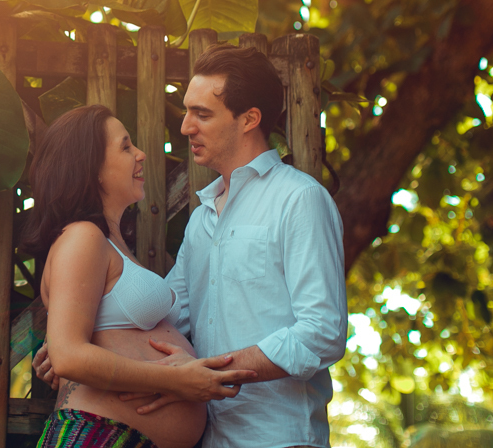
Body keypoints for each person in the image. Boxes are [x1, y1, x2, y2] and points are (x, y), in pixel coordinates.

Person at [36, 45, 348, 448]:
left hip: (275, 438)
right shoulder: (202, 220)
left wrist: (205, 374)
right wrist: (69, 344)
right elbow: (168, 318)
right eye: (186, 112)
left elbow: (321, 332)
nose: (185, 127)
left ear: (249, 119)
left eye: (202, 114)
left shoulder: (298, 199)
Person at [21, 104, 257, 448]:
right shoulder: (83, 237)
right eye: (125, 146)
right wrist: (175, 380)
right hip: (96, 436)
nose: (141, 154)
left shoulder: (107, 243)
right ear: (92, 168)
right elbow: (68, 356)